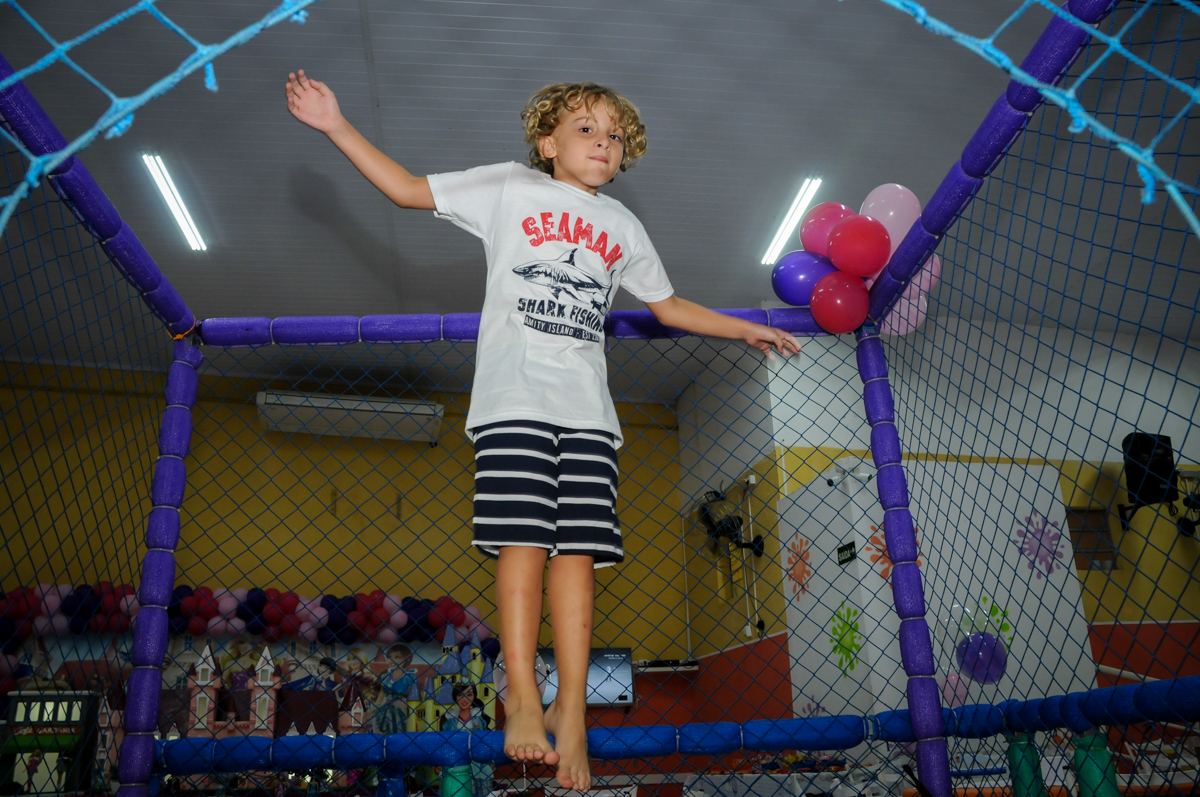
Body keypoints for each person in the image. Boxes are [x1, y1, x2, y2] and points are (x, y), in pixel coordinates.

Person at [285, 73, 801, 790]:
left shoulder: (623, 227)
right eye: (586, 129)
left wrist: (747, 327)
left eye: (614, 135)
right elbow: (406, 189)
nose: (603, 143)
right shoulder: (509, 188)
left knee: (579, 558)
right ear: (547, 141)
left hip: (589, 414)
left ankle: (572, 711)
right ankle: (522, 694)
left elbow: (670, 304)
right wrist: (336, 124)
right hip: (513, 401)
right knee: (523, 541)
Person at [441, 683, 493, 797]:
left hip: (479, 767)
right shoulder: (449, 721)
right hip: (456, 768)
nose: (465, 699)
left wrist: (490, 760)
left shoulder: (480, 719)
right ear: (455, 697)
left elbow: (485, 743)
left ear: (474, 697)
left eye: (469, 695)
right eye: (460, 695)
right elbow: (445, 745)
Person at [374, 644, 418, 735]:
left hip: (401, 708)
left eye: (397, 657)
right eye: (390, 657)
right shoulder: (385, 677)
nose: (392, 660)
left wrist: (405, 706)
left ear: (407, 659)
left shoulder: (409, 677)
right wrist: (373, 710)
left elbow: (415, 697)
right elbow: (381, 695)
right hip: (385, 708)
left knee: (399, 734)